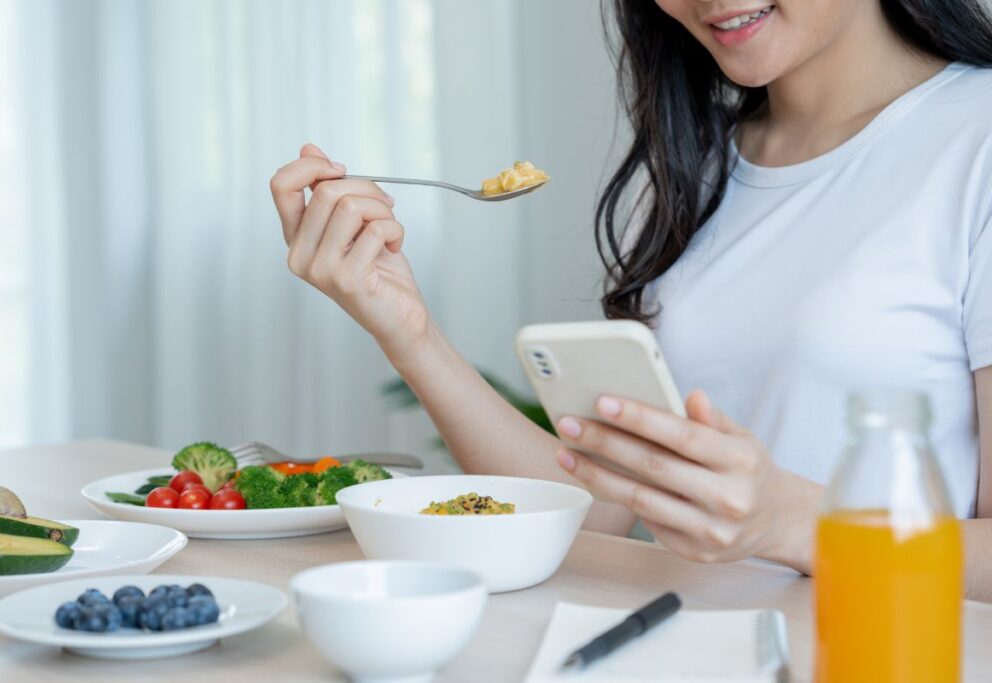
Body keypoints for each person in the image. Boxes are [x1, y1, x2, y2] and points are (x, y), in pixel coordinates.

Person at [270, 0, 992, 599]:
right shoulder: (698, 165)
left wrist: (792, 526)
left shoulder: (974, 140)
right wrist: (409, 330)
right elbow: (600, 508)